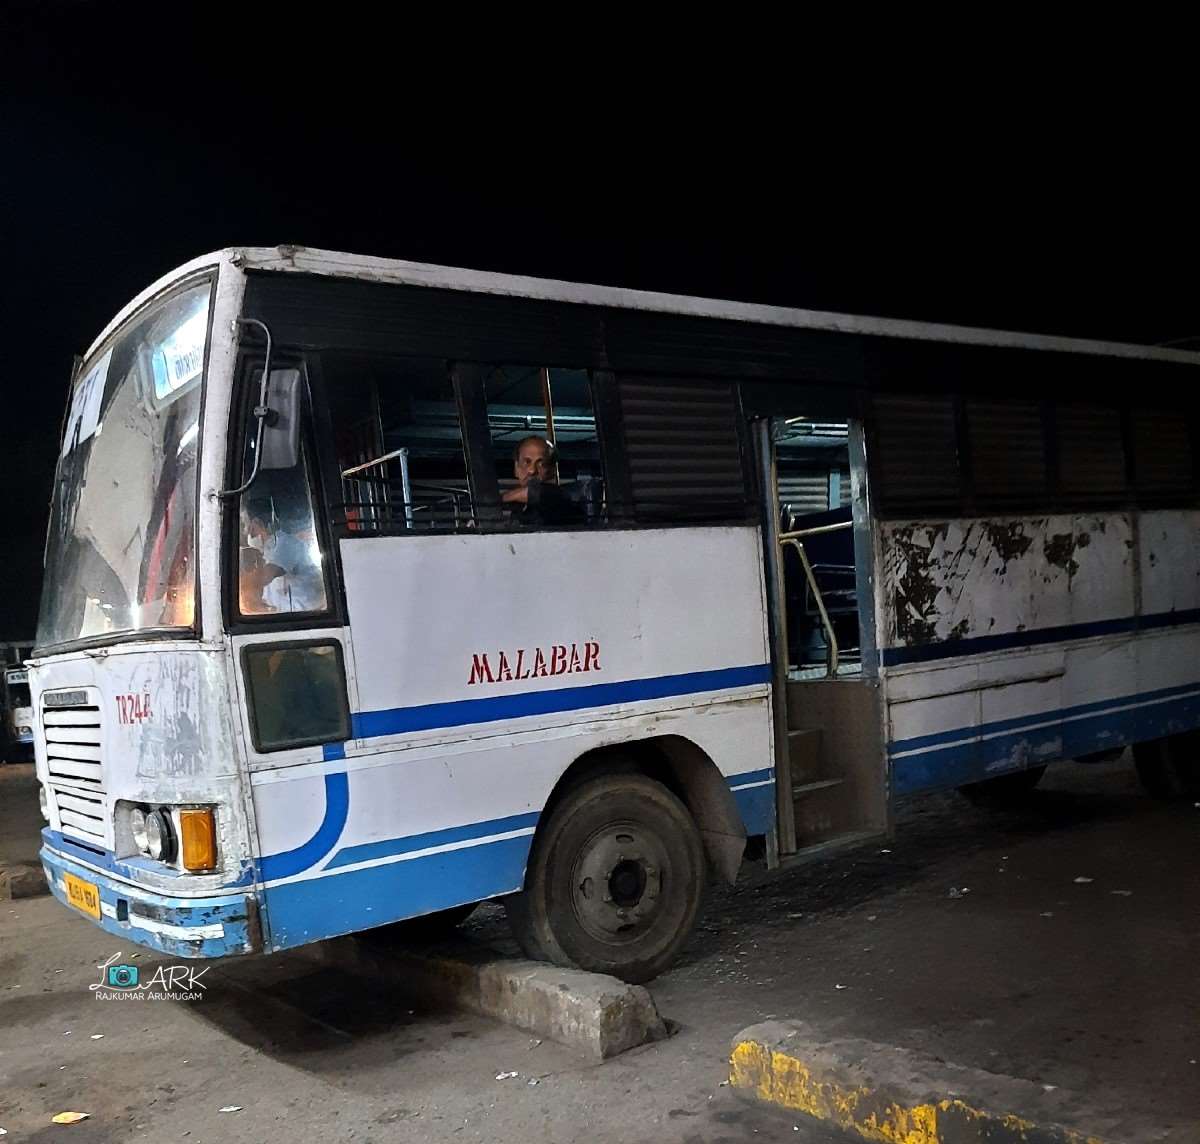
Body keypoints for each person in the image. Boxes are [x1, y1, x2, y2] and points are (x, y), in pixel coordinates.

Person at [501, 435, 584, 527]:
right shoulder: (520, 507)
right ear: (516, 467)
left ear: (552, 470)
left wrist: (499, 499)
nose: (532, 471)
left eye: (541, 464)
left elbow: (537, 492)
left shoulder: (559, 497)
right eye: (527, 462)